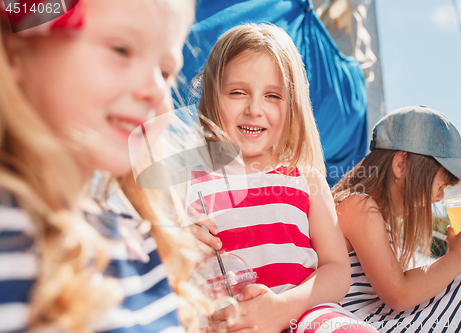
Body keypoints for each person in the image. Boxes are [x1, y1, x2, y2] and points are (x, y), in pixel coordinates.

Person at [0, 1, 209, 332]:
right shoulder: (9, 234)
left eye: (166, 71)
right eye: (122, 50)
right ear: (16, 52)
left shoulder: (137, 237)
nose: (156, 88)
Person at [187, 23, 376, 333]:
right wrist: (175, 245)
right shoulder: (187, 184)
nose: (254, 109)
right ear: (211, 95)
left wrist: (281, 310)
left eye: (273, 95)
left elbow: (338, 270)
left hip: (303, 316)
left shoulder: (305, 176)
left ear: (293, 105)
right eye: (237, 92)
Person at [332, 106, 461, 332]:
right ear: (402, 165)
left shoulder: (375, 215)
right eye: (440, 185)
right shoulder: (358, 207)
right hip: (364, 322)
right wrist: (458, 257)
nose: (440, 197)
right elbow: (399, 295)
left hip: (377, 318)